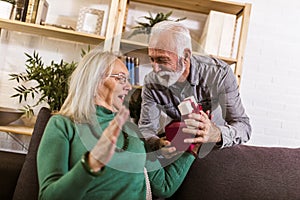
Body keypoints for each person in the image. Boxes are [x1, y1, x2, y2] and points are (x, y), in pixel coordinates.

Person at [37, 48, 200, 200]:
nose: (129, 87)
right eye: (121, 78)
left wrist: (192, 148)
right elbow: (48, 197)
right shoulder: (63, 124)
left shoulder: (132, 131)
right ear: (95, 80)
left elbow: (164, 186)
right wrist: (90, 165)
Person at [138, 21, 251, 156]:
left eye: (162, 60)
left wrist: (216, 133)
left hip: (217, 146)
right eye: (152, 59)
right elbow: (147, 128)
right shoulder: (151, 82)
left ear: (185, 56)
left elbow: (244, 127)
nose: (155, 69)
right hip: (181, 147)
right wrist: (157, 144)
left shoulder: (219, 74)